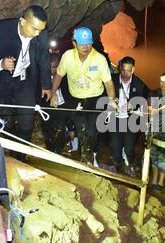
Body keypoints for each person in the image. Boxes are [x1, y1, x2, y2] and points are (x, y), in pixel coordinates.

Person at [0, 5, 52, 161]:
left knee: (27, 122)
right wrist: (0, 63)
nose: (38, 34)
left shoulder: (41, 34)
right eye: (35, 29)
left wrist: (46, 85)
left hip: (26, 82)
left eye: (41, 30)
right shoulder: (1, 29)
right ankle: (6, 156)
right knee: (6, 120)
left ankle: (20, 157)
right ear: (23, 21)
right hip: (2, 83)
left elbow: (44, 59)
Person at [50, 27, 118, 165]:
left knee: (92, 132)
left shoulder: (99, 59)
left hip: (96, 100)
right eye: (82, 43)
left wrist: (111, 99)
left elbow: (108, 82)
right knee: (81, 132)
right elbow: (59, 75)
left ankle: (88, 156)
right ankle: (86, 161)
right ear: (75, 43)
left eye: (88, 43)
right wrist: (53, 93)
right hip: (76, 100)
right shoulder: (67, 56)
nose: (86, 47)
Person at [110, 56, 149, 176]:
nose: (125, 74)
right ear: (119, 69)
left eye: (128, 70)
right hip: (115, 119)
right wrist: (110, 99)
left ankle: (130, 162)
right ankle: (118, 164)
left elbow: (146, 98)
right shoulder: (112, 80)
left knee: (129, 148)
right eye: (123, 70)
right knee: (115, 147)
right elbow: (102, 93)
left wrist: (135, 103)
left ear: (133, 70)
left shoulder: (139, 83)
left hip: (131, 120)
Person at [40, 53, 69, 153]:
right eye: (52, 67)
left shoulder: (66, 77)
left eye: (57, 67)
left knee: (60, 129)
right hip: (47, 108)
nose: (54, 69)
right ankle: (51, 150)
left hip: (62, 107)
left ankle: (57, 152)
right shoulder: (42, 78)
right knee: (47, 131)